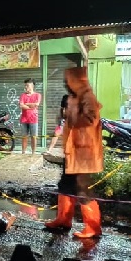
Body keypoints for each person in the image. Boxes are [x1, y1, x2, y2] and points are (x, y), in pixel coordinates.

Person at [43, 67, 104, 238]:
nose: (66, 85)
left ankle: (93, 228)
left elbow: (90, 120)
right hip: (73, 153)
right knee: (65, 186)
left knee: (83, 190)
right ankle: (63, 220)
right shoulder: (74, 99)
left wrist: (73, 115)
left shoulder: (87, 98)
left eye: (68, 81)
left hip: (84, 156)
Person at [19, 78, 41, 155]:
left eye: (27, 85)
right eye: (25, 85)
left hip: (33, 119)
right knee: (24, 137)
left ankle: (33, 153)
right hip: (24, 119)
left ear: (32, 86)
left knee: (33, 137)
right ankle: (23, 152)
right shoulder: (23, 95)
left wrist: (27, 104)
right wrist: (31, 106)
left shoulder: (37, 95)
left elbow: (37, 104)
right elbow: (21, 105)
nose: (26, 87)